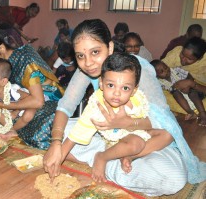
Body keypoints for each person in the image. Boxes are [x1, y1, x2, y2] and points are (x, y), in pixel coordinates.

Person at [43, 19, 205, 196]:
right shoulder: (88, 70)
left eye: (95, 52)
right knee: (60, 128)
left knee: (174, 179)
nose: (88, 63)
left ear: (110, 48)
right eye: (80, 56)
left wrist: (125, 122)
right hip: (106, 136)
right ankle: (108, 159)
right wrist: (56, 143)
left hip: (144, 139)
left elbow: (163, 123)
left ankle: (106, 160)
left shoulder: (135, 69)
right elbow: (66, 107)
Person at [62, 52, 169, 175]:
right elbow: (81, 128)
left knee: (168, 135)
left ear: (134, 90)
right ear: (101, 83)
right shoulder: (97, 104)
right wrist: (60, 154)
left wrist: (129, 122)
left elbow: (152, 120)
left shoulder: (138, 98)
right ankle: (102, 157)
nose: (117, 93)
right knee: (136, 144)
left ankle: (129, 157)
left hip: (137, 130)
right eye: (111, 85)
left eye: (125, 88)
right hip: (119, 137)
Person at [0, 28, 64, 149]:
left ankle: (14, 130)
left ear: (2, 48)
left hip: (48, 99)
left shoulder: (25, 59)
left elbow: (37, 101)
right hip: (19, 100)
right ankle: (13, 129)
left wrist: (1, 105)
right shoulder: (0, 62)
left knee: (40, 125)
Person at [161, 37, 206, 126]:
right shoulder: (175, 53)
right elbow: (158, 69)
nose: (183, 60)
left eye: (189, 59)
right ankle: (191, 111)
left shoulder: (204, 63)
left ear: (199, 58)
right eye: (182, 54)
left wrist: (191, 83)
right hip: (177, 90)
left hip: (200, 90)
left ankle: (202, 114)